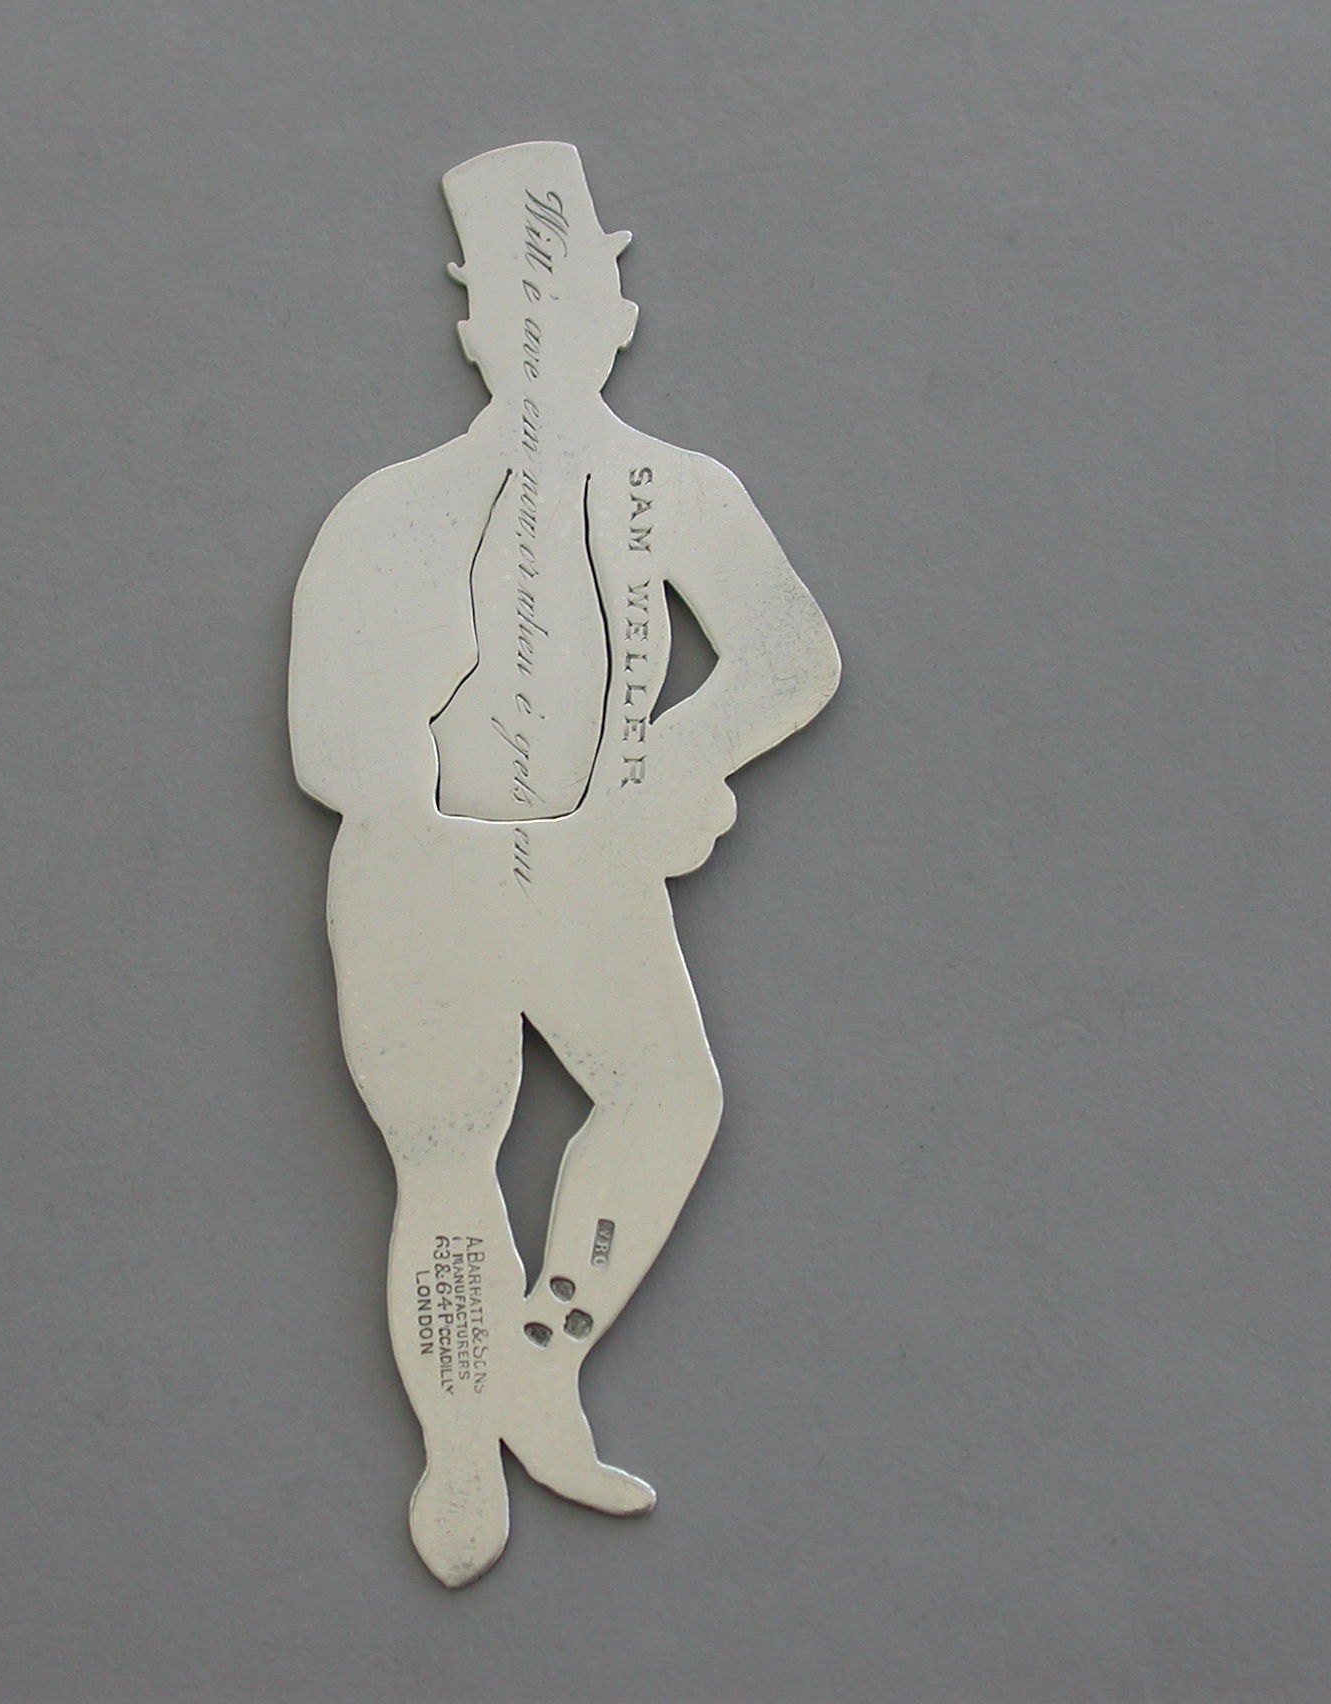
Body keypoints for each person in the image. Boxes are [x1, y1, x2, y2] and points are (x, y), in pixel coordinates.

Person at [288, 142, 841, 1587]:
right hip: (419, 882)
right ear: (469, 329)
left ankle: (542, 1359)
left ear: (620, 316)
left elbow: (791, 656)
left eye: (572, 302)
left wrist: (672, 760)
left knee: (667, 1100)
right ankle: (459, 1453)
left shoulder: (676, 488)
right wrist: (443, 787)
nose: (542, 339)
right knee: (444, 1156)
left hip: (591, 881)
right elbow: (330, 743)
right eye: (512, 311)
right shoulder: (391, 508)